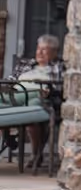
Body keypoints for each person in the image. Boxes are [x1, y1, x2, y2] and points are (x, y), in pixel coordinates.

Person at [6, 35, 63, 165]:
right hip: (16, 95)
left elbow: (60, 87)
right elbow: (10, 81)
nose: (40, 53)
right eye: (38, 49)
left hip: (40, 98)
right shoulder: (26, 64)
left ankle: (35, 154)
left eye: (44, 50)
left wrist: (50, 92)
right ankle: (7, 137)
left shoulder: (59, 67)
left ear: (54, 52)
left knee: (33, 110)